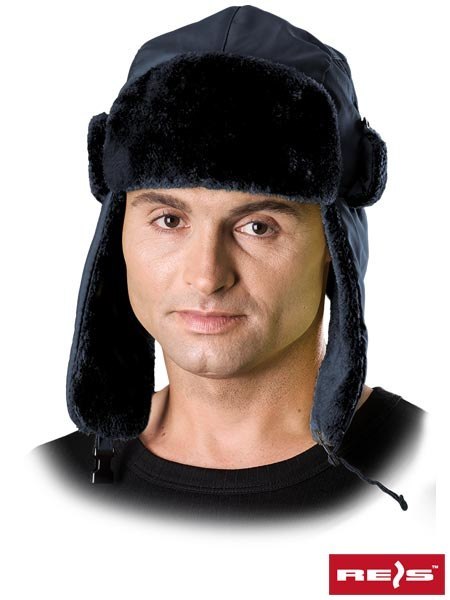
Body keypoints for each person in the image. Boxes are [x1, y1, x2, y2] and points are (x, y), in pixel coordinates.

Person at [29, 5, 429, 522]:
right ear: (117, 232)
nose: (206, 276)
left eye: (257, 226)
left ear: (336, 244)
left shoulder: (428, 475)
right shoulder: (36, 495)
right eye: (169, 219)